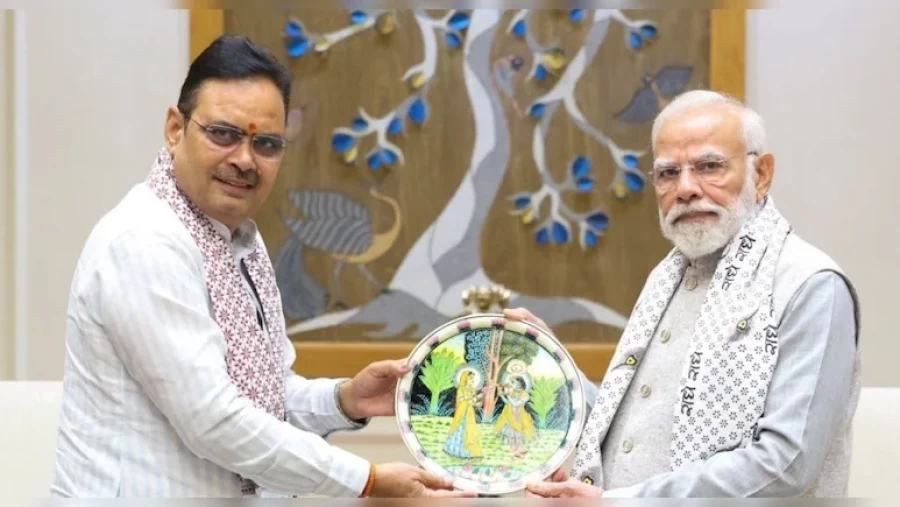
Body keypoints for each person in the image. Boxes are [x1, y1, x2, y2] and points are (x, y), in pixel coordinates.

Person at [51, 34, 474, 499]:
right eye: (223, 134)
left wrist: (345, 400)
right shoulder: (144, 241)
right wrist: (366, 480)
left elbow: (265, 396)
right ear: (175, 129)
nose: (244, 160)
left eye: (266, 143)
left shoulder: (240, 242)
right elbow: (215, 420)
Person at [510, 90, 861, 498]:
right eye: (668, 173)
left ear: (761, 174)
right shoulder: (670, 275)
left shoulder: (811, 285)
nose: (686, 188)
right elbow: (635, 426)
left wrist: (618, 502)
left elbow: (787, 463)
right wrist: (551, 364)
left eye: (710, 166)